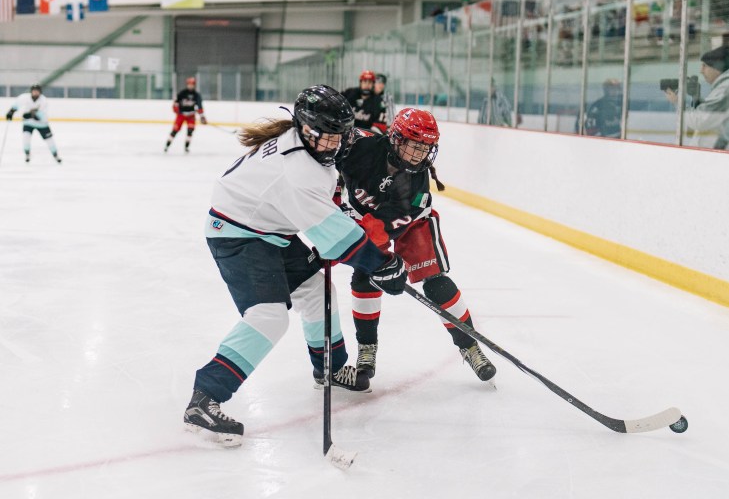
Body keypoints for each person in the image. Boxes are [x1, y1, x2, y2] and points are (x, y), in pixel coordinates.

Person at [183, 85, 409, 447]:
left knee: (319, 291)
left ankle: (330, 368)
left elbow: (325, 207)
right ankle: (205, 398)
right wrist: (381, 264)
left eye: (339, 136)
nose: (334, 145)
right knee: (269, 317)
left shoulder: (309, 146)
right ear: (305, 129)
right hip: (238, 234)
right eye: (327, 138)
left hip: (270, 227)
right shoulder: (297, 171)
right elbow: (335, 239)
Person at [337, 108, 496, 383]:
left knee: (436, 283)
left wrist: (388, 261)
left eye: (425, 147)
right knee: (364, 278)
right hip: (365, 220)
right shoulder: (361, 147)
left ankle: (470, 346)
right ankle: (367, 348)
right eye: (414, 145)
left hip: (411, 225)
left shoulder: (417, 183)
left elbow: (389, 226)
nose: (419, 154)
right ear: (396, 139)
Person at [664, 45, 729, 151]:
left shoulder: (727, 88)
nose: (701, 71)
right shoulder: (724, 87)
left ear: (716, 68)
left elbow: (699, 121)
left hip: (720, 157)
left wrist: (678, 103)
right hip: (715, 155)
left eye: (704, 66)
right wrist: (696, 98)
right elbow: (696, 128)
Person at [5, 84, 61, 164]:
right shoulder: (24, 97)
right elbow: (16, 105)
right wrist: (11, 112)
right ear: (31, 91)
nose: (35, 93)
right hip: (28, 123)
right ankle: (27, 154)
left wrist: (31, 115)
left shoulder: (43, 101)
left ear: (40, 92)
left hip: (42, 124)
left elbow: (41, 116)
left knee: (50, 140)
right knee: (25, 138)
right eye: (33, 91)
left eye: (37, 91)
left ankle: (55, 155)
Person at [165, 76, 206, 153]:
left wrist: (202, 116)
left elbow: (200, 106)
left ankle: (186, 147)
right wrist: (176, 109)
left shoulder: (196, 95)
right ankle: (167, 145)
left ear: (194, 85)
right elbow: (175, 104)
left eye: (192, 84)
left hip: (191, 116)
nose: (190, 85)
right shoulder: (182, 93)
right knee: (175, 130)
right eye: (189, 84)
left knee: (190, 130)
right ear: (187, 84)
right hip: (181, 115)